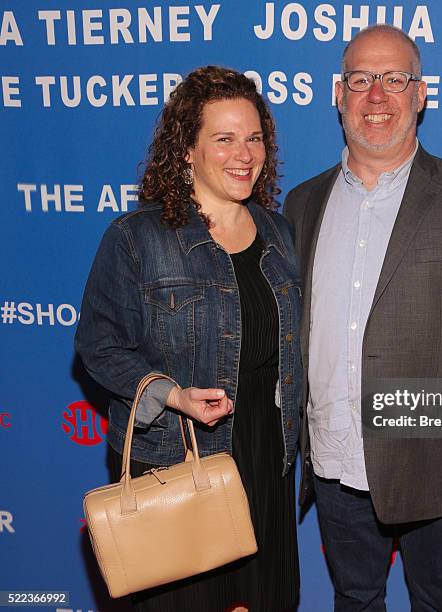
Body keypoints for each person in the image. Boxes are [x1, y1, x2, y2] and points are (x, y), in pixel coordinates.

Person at [283, 25, 442, 611]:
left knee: (437, 600)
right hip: (333, 454)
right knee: (355, 597)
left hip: (435, 459)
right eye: (362, 80)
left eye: (396, 79)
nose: (377, 95)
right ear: (339, 94)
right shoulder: (302, 203)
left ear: (421, 95)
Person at [75, 66, 301, 612]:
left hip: (265, 458)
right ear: (187, 152)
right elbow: (98, 344)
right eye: (222, 139)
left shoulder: (278, 231)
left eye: (253, 138)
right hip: (181, 464)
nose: (243, 153)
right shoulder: (137, 238)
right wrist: (169, 394)